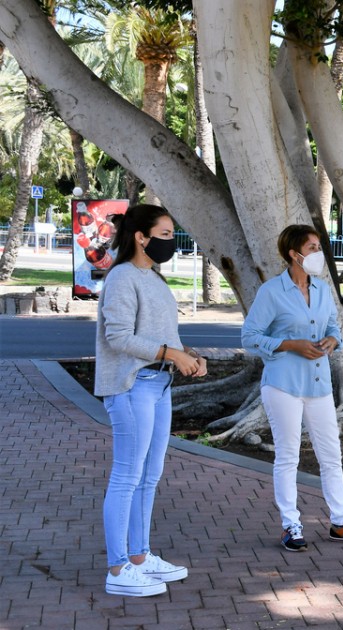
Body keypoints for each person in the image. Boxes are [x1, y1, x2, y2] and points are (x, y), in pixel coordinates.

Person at [241, 224, 343, 552]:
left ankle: (341, 522)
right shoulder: (272, 292)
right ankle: (291, 525)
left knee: (331, 456)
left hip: (318, 386)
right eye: (313, 247)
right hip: (283, 386)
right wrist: (290, 345)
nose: (318, 254)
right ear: (294, 253)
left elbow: (333, 327)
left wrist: (333, 339)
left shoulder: (321, 290)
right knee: (288, 456)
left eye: (319, 247)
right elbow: (249, 337)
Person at [95, 204, 207, 597]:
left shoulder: (154, 279)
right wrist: (169, 354)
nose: (170, 241)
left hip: (158, 387)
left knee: (149, 475)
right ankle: (117, 568)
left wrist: (187, 356)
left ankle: (140, 557)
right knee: (127, 475)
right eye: (163, 234)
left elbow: (165, 337)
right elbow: (119, 337)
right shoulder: (124, 277)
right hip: (130, 386)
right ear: (140, 237)